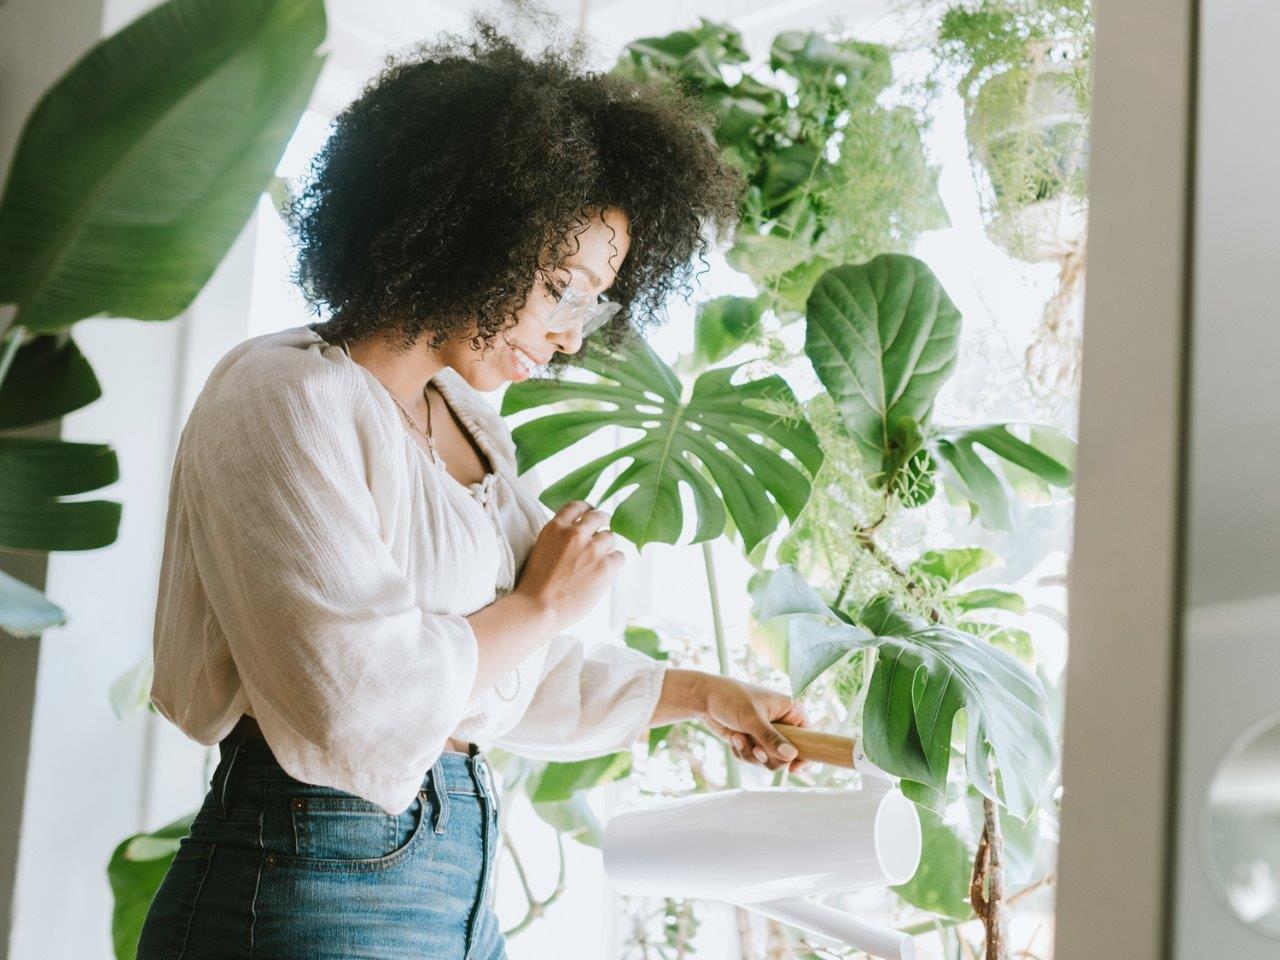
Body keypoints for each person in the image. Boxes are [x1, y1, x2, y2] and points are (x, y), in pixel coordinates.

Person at [137, 15, 809, 960]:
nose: (575, 333)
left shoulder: (467, 423)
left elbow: (498, 677)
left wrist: (706, 695)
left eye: (596, 298)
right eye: (562, 286)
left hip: (458, 875)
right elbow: (358, 702)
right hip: (312, 880)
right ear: (470, 230)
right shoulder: (282, 395)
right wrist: (538, 601)